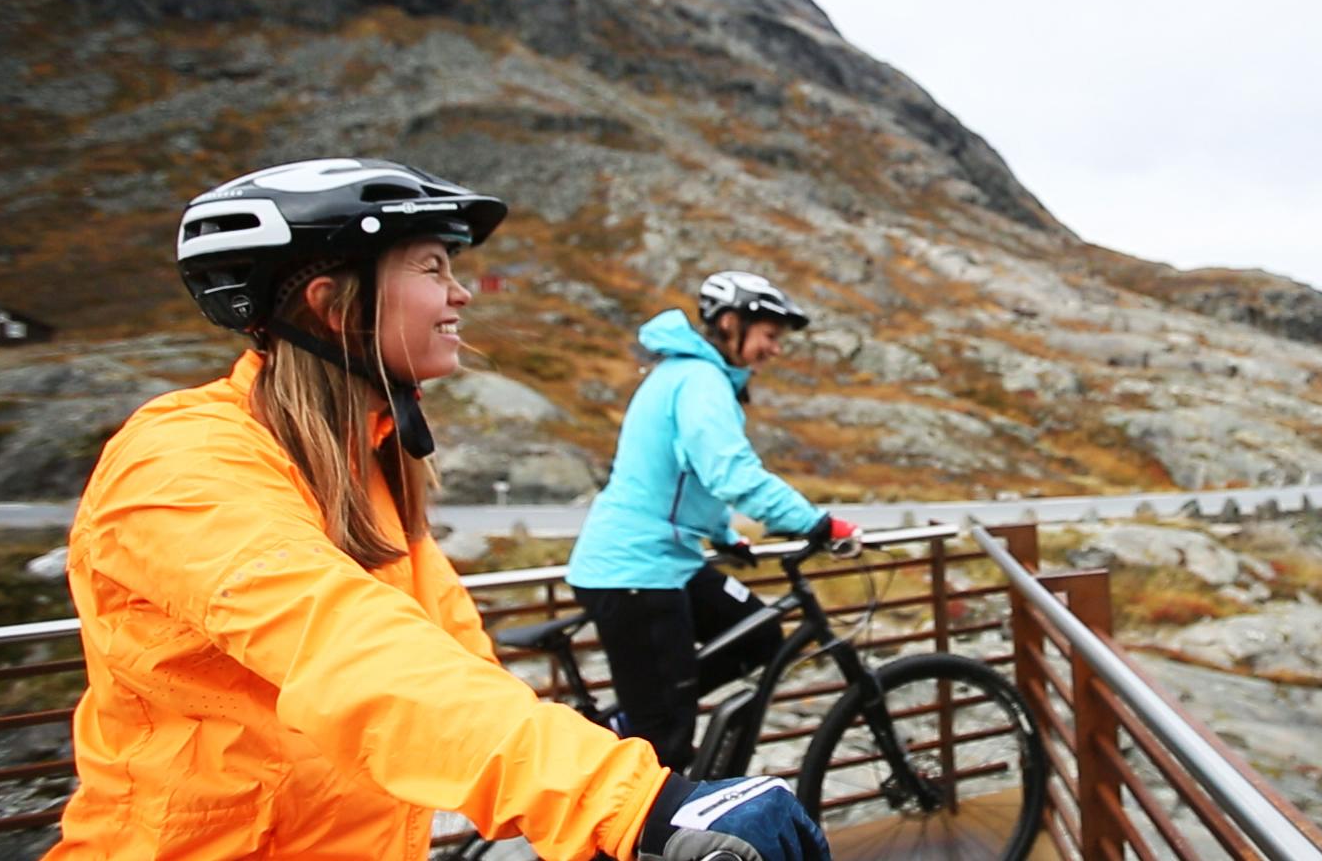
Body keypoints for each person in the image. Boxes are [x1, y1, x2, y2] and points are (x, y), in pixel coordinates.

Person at [46, 159, 828, 861]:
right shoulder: (182, 463)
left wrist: (583, 790)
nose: (459, 293)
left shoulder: (368, 472)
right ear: (332, 304)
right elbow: (354, 653)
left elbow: (451, 666)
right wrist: (634, 804)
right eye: (431, 266)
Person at [567, 271, 862, 773]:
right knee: (667, 746)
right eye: (769, 336)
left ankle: (643, 708)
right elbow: (732, 474)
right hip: (636, 573)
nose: (775, 349)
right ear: (730, 324)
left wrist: (724, 537)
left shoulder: (695, 377)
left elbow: (689, 478)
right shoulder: (699, 381)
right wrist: (819, 524)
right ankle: (636, 764)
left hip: (667, 562)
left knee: (761, 635)